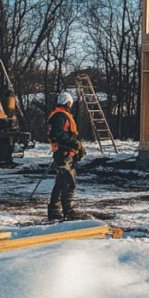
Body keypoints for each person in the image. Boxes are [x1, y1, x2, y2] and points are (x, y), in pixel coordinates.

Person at [47, 91, 86, 221]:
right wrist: (74, 143)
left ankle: (54, 211)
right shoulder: (60, 116)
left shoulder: (59, 115)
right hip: (63, 154)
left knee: (61, 182)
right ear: (68, 103)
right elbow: (58, 135)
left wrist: (77, 147)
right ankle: (68, 211)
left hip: (64, 153)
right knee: (68, 182)